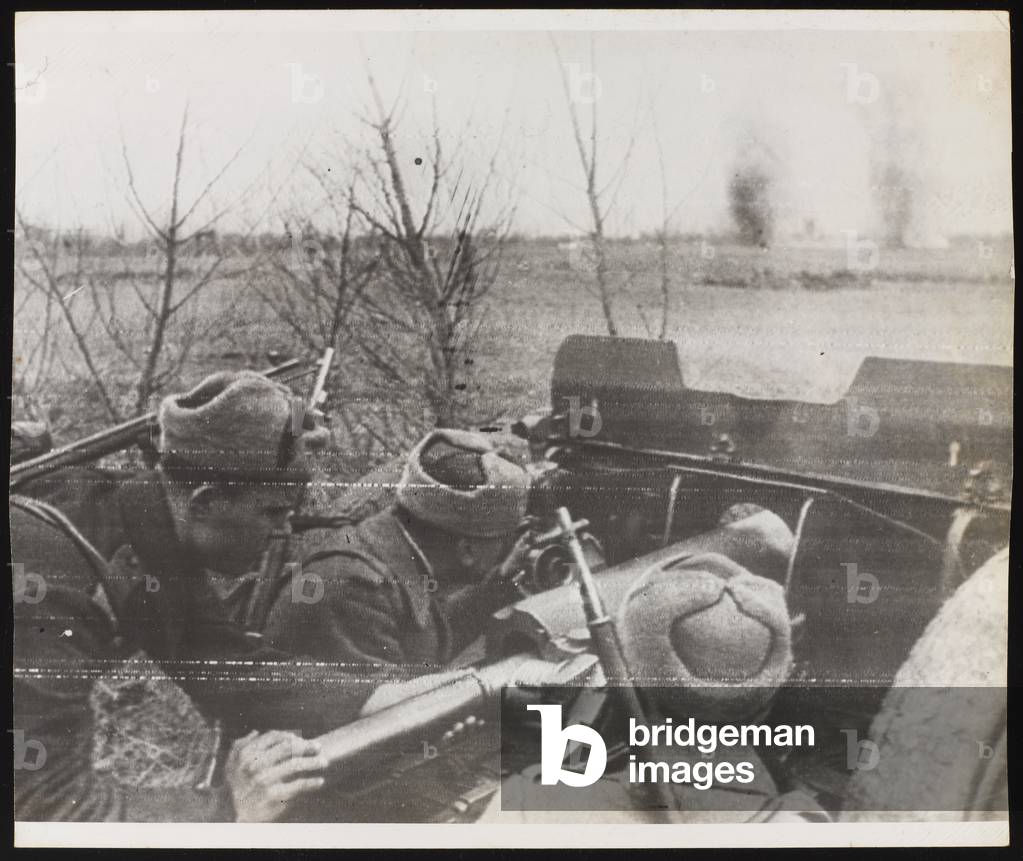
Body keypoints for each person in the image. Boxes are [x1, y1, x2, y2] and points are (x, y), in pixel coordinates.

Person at [12, 371, 383, 821]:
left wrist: (372, 697)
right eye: (272, 511)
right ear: (205, 501)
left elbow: (224, 662)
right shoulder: (49, 588)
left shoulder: (145, 521)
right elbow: (45, 808)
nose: (284, 530)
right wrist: (225, 809)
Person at [263, 428, 532, 672]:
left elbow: (427, 638)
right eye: (504, 539)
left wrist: (500, 584)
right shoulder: (357, 591)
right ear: (466, 551)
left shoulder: (394, 550)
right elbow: (396, 706)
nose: (507, 547)